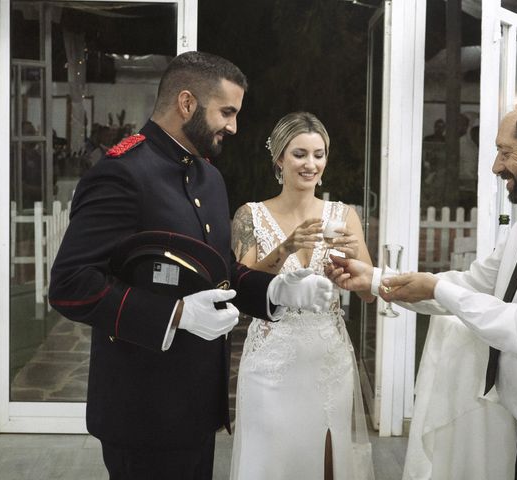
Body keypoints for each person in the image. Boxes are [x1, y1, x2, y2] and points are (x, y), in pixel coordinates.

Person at [48, 52, 333, 480]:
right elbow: (71, 284)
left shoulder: (208, 177)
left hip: (197, 408)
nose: (233, 127)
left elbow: (218, 270)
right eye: (227, 112)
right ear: (187, 103)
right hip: (141, 410)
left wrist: (275, 291)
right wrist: (176, 314)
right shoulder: (122, 174)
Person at [328, 98, 517, 479]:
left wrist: (439, 291)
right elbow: (471, 285)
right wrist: (373, 278)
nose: (495, 166)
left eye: (506, 152)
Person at [229, 111, 376, 480]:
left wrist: (351, 266)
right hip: (271, 364)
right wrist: (286, 246)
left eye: (319, 154)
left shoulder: (344, 216)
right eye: (300, 154)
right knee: (272, 464)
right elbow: (240, 285)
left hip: (328, 361)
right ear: (279, 158)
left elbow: (369, 295)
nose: (311, 164)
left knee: (327, 463)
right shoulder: (250, 216)